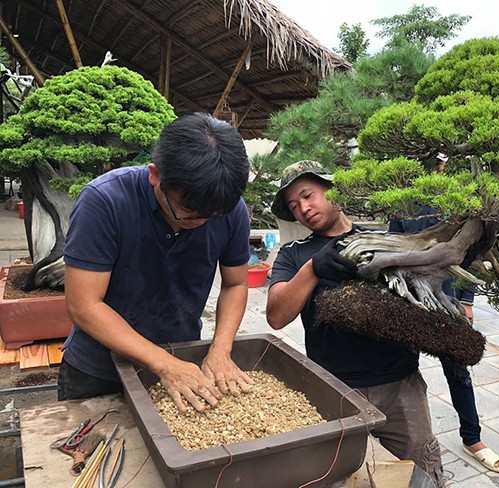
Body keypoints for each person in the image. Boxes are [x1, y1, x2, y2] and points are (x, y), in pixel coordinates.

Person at [58, 113, 254, 413]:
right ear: (154, 175)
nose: (200, 222)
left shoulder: (228, 210)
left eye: (211, 216)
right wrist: (165, 365)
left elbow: (236, 283)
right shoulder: (104, 201)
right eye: (188, 211)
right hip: (98, 368)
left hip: (182, 356)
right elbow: (84, 305)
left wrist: (220, 350)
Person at [266, 161, 445, 487]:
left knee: (420, 469)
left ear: (332, 189)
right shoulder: (294, 254)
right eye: (294, 205)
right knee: (334, 475)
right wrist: (313, 269)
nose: (303, 208)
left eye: (307, 195)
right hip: (334, 387)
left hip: (399, 383)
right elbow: (276, 316)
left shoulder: (381, 239)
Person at [389, 152, 499, 474]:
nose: (442, 167)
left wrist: (467, 299)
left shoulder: (465, 200)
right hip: (409, 295)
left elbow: (474, 253)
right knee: (402, 367)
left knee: (458, 370)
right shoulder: (407, 202)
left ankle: (473, 437)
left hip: (447, 294)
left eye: (446, 162)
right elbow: (395, 245)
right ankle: (402, 436)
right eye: (437, 162)